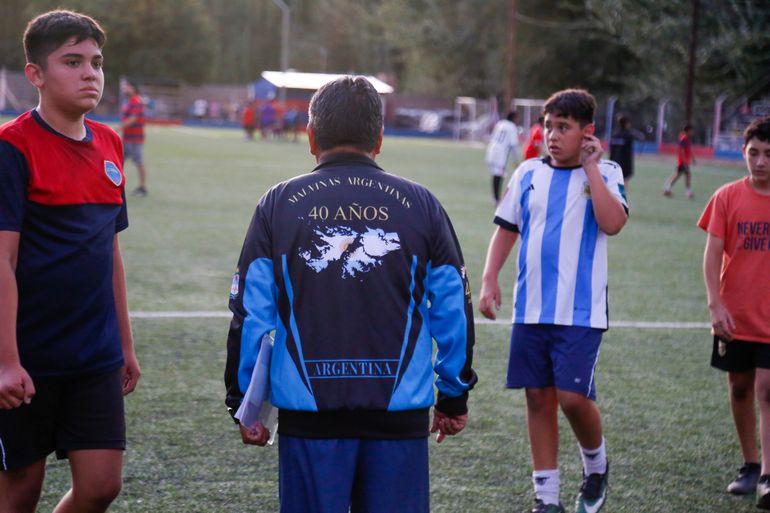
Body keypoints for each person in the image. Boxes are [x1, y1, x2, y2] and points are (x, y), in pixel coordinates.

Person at [225, 76, 477, 513]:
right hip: (399, 419)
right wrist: (453, 394)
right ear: (379, 139)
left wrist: (243, 401)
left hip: (309, 420)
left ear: (310, 137)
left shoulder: (278, 203)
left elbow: (251, 313)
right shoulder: (422, 203)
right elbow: (454, 307)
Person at [0, 10, 140, 513]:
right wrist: (6, 360)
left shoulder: (110, 143)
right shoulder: (11, 147)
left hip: (95, 354)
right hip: (30, 355)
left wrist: (124, 343)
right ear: (35, 74)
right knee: (20, 490)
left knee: (102, 485)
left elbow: (111, 253)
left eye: (97, 62)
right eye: (73, 61)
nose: (90, 73)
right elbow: (3, 258)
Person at [479, 89, 628, 513]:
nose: (552, 136)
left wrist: (592, 169)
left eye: (564, 127)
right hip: (532, 308)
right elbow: (507, 229)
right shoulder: (527, 173)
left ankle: (595, 466)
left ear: (587, 133)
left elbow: (613, 223)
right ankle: (547, 499)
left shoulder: (608, 172)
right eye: (549, 126)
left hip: (580, 311)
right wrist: (490, 278)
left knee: (572, 398)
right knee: (538, 398)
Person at [698, 115, 770, 508]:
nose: (760, 162)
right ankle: (750, 464)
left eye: (769, 155)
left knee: (767, 389)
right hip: (734, 315)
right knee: (740, 387)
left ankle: (769, 476)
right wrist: (715, 304)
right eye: (753, 153)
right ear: (744, 152)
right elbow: (711, 256)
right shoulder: (726, 196)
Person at [120, 79, 148, 196]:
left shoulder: (136, 101)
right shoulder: (129, 101)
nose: (125, 89)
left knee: (138, 162)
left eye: (127, 87)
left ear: (133, 88)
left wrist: (118, 127)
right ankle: (115, 185)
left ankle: (142, 188)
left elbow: (133, 118)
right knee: (118, 161)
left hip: (135, 139)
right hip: (127, 138)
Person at [486, 110, 520, 203]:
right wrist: (516, 160)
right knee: (499, 174)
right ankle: (496, 198)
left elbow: (492, 137)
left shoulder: (500, 123)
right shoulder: (512, 127)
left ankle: (495, 197)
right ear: (513, 118)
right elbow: (513, 145)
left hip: (492, 150)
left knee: (496, 174)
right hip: (500, 153)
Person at [663, 123, 696, 199]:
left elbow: (688, 150)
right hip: (682, 162)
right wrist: (684, 161)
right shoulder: (683, 139)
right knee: (685, 175)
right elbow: (681, 151)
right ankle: (688, 191)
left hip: (685, 161)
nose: (692, 132)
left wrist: (693, 158)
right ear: (687, 131)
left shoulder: (686, 139)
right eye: (691, 131)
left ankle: (667, 188)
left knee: (680, 175)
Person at [609, 114, 640, 189]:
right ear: (627, 123)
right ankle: (622, 194)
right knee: (625, 179)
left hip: (614, 161)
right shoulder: (629, 135)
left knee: (614, 180)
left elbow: (611, 148)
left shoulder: (615, 134)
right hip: (625, 162)